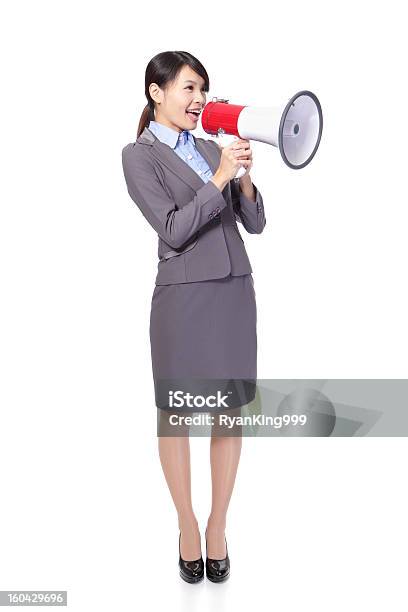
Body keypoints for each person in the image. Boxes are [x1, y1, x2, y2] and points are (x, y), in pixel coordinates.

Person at [121, 50, 266, 583]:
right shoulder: (139, 157)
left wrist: (244, 179)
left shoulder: (210, 146)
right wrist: (218, 178)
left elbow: (254, 224)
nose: (199, 99)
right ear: (157, 93)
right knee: (177, 414)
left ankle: (217, 527)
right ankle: (186, 524)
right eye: (188, 88)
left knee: (229, 414)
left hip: (233, 292)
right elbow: (174, 229)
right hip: (183, 300)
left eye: (203, 89)